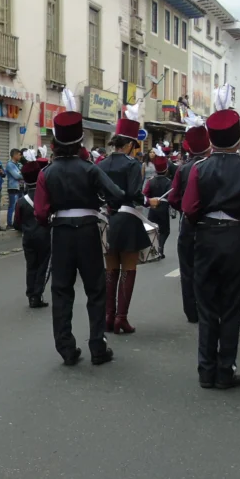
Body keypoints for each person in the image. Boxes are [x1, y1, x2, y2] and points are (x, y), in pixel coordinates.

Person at [181, 106, 240, 390]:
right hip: (235, 238)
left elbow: (189, 208)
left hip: (206, 238)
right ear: (238, 140)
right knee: (231, 308)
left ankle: (205, 371)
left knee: (207, 308)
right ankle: (225, 370)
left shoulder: (199, 168)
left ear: (211, 139)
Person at [34, 111, 125, 366]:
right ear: (80, 142)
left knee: (62, 291)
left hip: (61, 231)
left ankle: (66, 348)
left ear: (55, 143)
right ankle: (98, 346)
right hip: (87, 230)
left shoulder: (46, 173)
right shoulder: (90, 169)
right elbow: (116, 194)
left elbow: (40, 213)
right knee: (96, 289)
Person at [97, 112, 155, 335]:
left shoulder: (101, 164)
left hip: (108, 219)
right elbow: (133, 193)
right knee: (128, 269)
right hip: (128, 219)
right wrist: (149, 201)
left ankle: (108, 317)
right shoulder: (132, 165)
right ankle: (121, 318)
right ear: (130, 143)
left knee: (110, 269)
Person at [167, 125, 212, 324]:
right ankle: (206, 308)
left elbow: (173, 197)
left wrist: (184, 209)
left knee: (187, 269)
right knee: (209, 269)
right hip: (210, 224)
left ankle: (191, 312)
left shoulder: (183, 169)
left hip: (188, 223)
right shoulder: (211, 165)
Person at [12, 158, 50, 309]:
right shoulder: (47, 197)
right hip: (44, 236)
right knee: (42, 266)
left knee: (31, 266)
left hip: (28, 238)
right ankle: (37, 295)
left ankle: (30, 294)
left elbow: (16, 224)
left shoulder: (20, 201)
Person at [143, 149, 172, 260]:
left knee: (154, 229)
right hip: (163, 209)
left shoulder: (151, 181)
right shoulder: (169, 182)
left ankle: (154, 250)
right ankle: (160, 248)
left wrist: (148, 203)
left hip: (152, 208)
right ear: (166, 170)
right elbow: (172, 197)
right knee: (165, 230)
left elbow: (145, 194)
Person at [5, 148, 24, 227]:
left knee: (19, 206)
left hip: (20, 187)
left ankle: (17, 222)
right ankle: (9, 224)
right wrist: (24, 175)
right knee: (12, 206)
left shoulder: (18, 164)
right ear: (15, 155)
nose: (20, 156)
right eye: (19, 155)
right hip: (13, 188)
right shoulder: (10, 164)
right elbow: (17, 176)